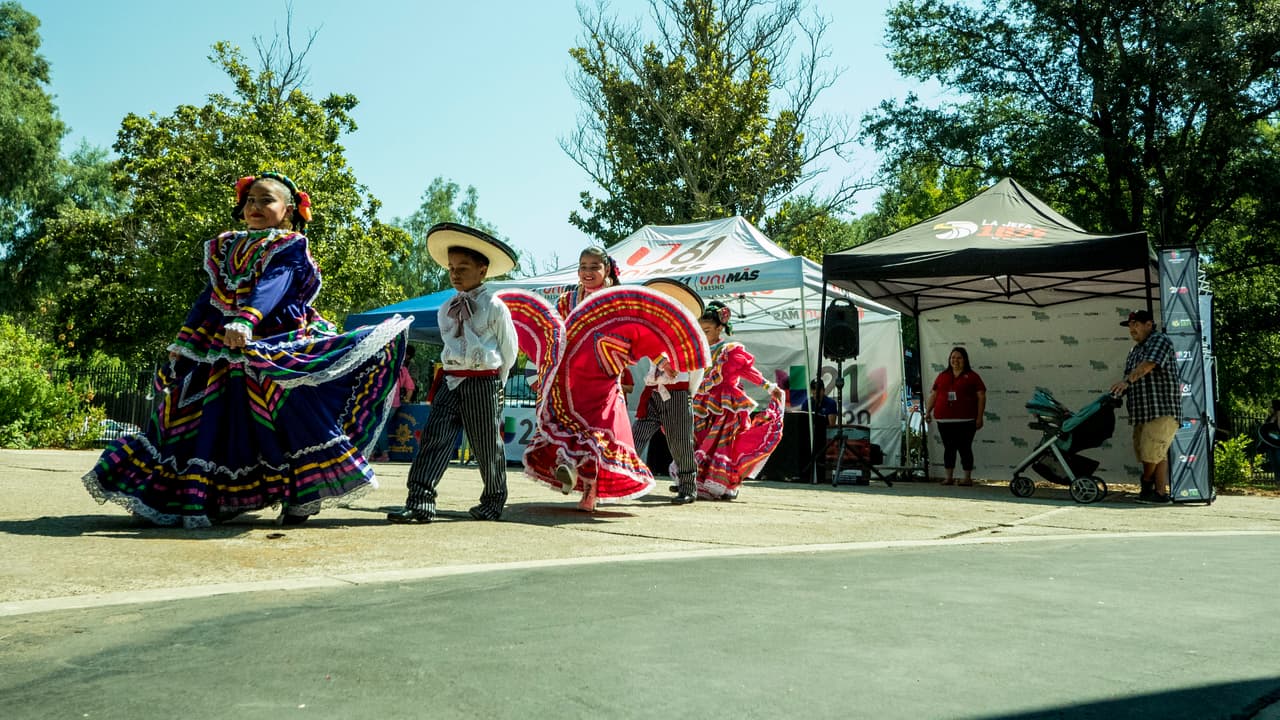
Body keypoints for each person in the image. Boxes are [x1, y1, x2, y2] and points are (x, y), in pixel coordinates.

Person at [83, 172, 410, 528]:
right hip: (223, 347)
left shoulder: (289, 246)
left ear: (288, 209)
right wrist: (184, 341)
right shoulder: (226, 247)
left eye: (266, 200)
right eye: (251, 200)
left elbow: (274, 285)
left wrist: (247, 320)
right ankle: (219, 495)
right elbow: (209, 299)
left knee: (291, 416)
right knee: (208, 417)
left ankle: (303, 495)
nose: (255, 206)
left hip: (274, 342)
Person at [520, 249, 709, 511]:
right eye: (583, 265)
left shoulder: (619, 301)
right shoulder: (567, 300)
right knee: (564, 426)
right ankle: (568, 466)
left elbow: (641, 333)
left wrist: (662, 360)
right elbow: (554, 333)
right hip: (570, 381)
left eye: (594, 266)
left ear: (606, 269)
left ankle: (590, 491)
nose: (587, 271)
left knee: (599, 438)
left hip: (603, 381)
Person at [387, 223, 518, 523]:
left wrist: (498, 382)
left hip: (483, 381)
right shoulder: (445, 307)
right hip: (450, 379)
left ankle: (493, 501)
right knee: (435, 438)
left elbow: (509, 349)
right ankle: (420, 502)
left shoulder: (495, 306)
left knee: (487, 445)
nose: (455, 274)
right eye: (451, 268)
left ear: (483, 271)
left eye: (463, 268)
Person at [689, 301, 786, 499]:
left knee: (723, 444)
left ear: (719, 328)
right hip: (703, 403)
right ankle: (699, 483)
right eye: (700, 331)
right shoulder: (699, 350)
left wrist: (769, 387)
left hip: (727, 406)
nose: (702, 335)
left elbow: (748, 371)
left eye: (706, 330)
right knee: (701, 441)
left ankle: (725, 485)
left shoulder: (729, 351)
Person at [1109, 309, 1180, 504]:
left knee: (1151, 452)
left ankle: (1146, 481)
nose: (1132, 329)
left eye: (1136, 324)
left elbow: (1149, 365)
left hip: (1161, 409)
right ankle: (1159, 494)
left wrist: (1127, 382)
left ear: (1149, 324)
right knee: (1156, 454)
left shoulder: (1159, 341)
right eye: (1130, 325)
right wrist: (1119, 390)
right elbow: (1129, 376)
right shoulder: (1134, 350)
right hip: (1142, 411)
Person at [924, 346, 987, 486]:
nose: (955, 360)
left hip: (967, 420)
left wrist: (979, 417)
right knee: (949, 448)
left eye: (958, 358)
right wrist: (928, 411)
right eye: (953, 358)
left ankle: (967, 478)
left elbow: (981, 396)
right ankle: (949, 477)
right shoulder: (942, 376)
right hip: (944, 420)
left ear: (965, 360)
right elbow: (934, 395)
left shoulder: (972, 376)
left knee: (965, 448)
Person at [373, 344, 417, 461]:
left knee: (378, 427)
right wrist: (407, 399)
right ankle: (375, 452)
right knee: (379, 426)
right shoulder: (401, 369)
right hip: (394, 404)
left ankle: (384, 454)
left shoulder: (380, 367)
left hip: (380, 402)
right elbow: (410, 387)